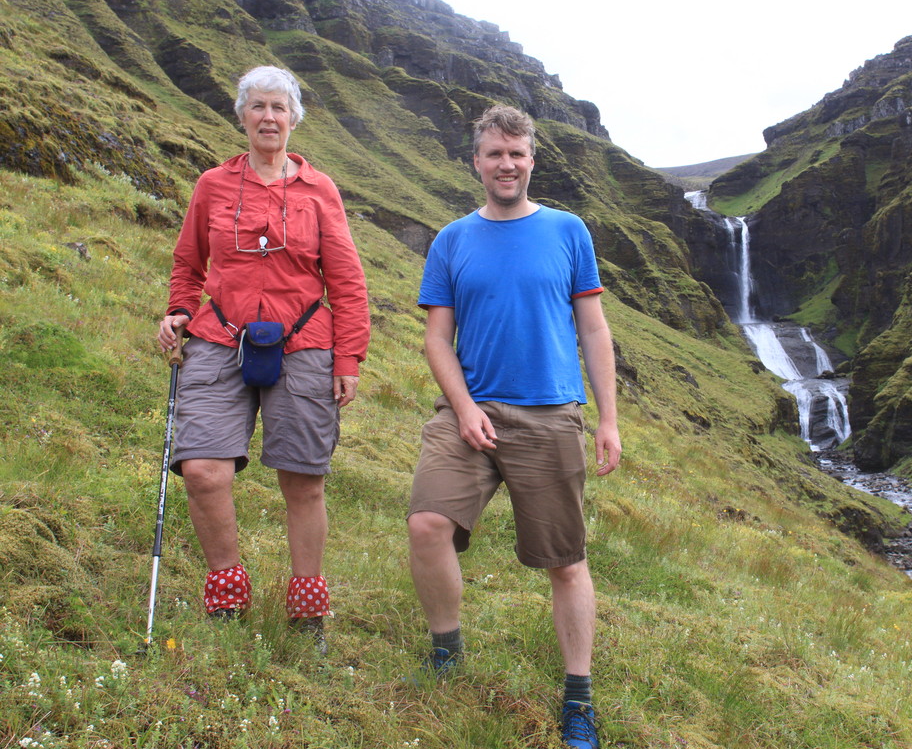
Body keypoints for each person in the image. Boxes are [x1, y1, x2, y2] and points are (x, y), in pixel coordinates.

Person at [409, 104, 620, 748]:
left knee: (565, 561)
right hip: (468, 412)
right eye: (494, 154)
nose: (506, 164)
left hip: (552, 414)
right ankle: (447, 652)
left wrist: (607, 417)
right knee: (427, 524)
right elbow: (437, 340)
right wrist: (465, 407)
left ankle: (578, 697)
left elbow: (593, 327)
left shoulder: (568, 231)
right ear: (476, 162)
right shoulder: (450, 240)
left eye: (517, 153)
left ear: (532, 161)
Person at [156, 65, 370, 654]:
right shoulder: (212, 186)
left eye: (279, 108)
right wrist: (178, 309)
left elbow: (347, 281)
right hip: (220, 337)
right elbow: (188, 262)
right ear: (242, 116)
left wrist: (347, 357)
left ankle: (306, 611)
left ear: (294, 118)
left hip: (304, 343)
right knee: (202, 470)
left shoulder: (320, 191)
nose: (269, 118)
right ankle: (227, 593)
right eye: (258, 107)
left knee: (302, 479)